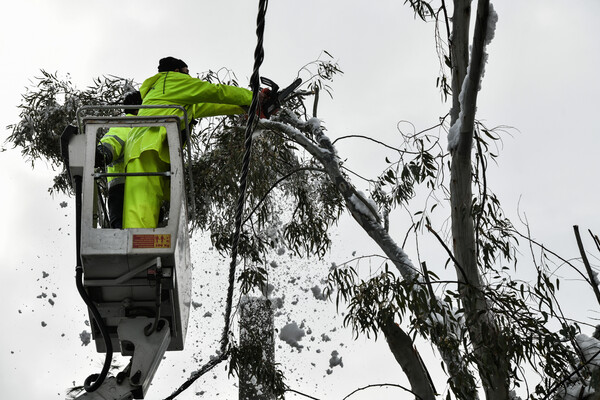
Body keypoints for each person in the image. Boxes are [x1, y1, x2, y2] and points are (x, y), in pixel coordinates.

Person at [122, 57, 262, 229]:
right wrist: (254, 98)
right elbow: (216, 92)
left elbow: (209, 105)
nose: (189, 76)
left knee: (152, 201)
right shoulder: (171, 81)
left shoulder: (176, 98)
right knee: (141, 204)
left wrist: (245, 107)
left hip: (156, 149)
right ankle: (136, 246)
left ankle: (145, 244)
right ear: (176, 71)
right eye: (186, 72)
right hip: (144, 146)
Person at [96, 91, 142, 228]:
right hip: (124, 191)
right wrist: (103, 153)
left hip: (129, 190)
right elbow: (112, 141)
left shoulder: (143, 127)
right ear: (136, 108)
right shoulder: (128, 125)